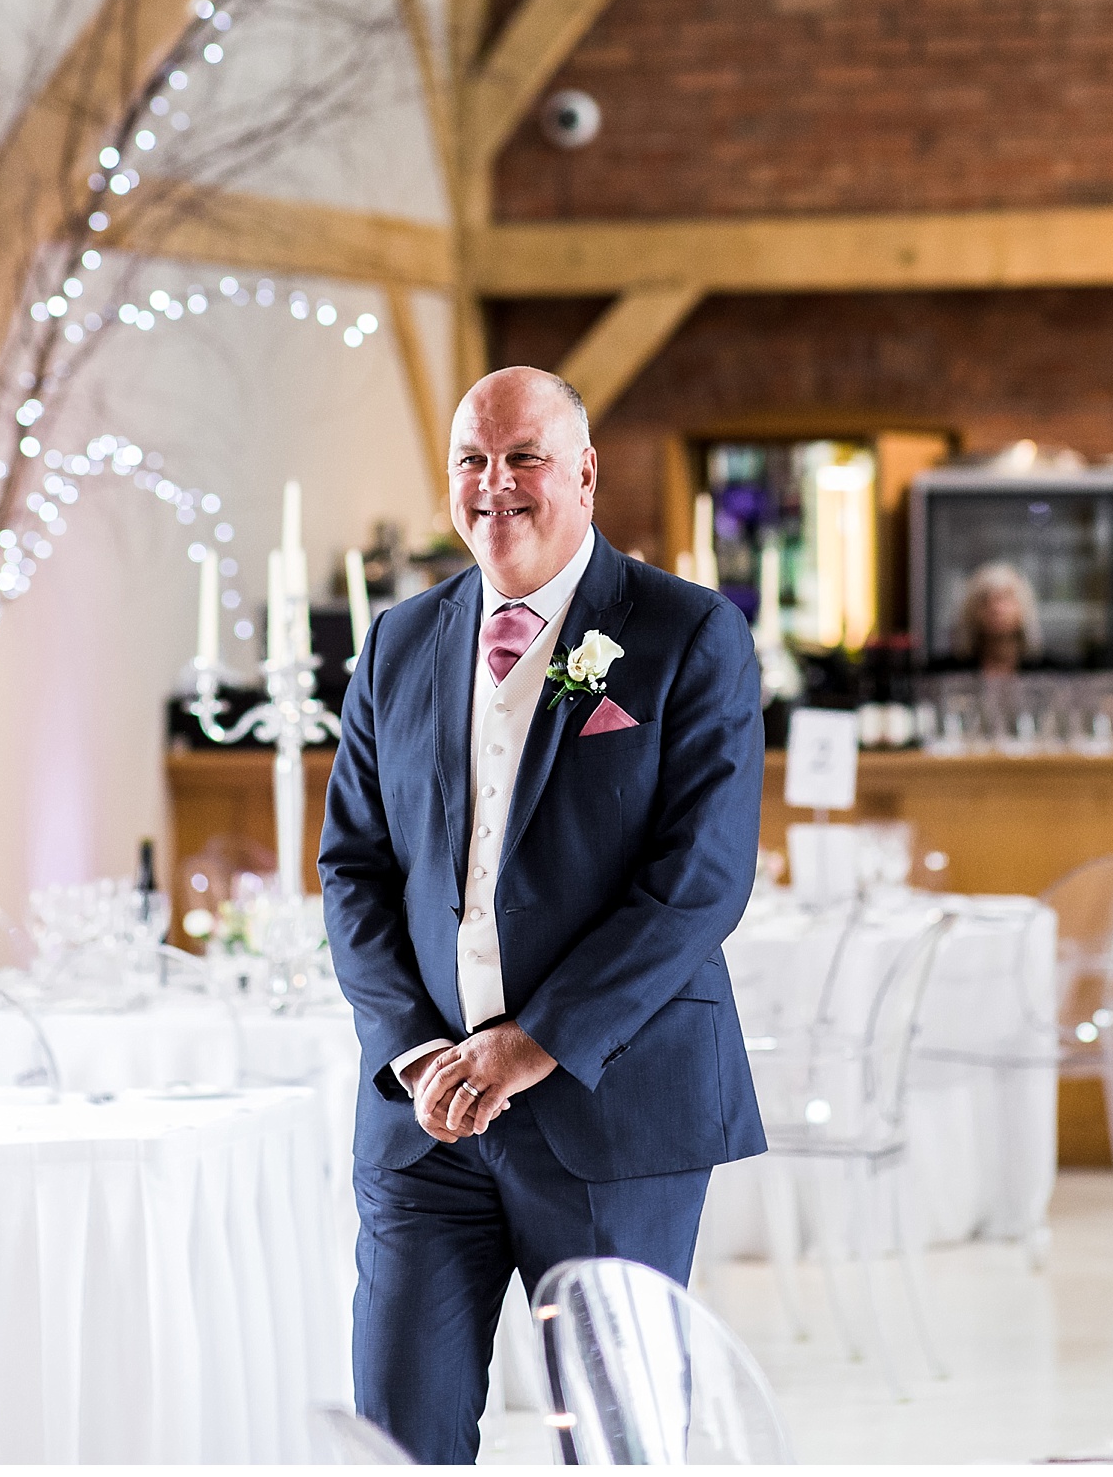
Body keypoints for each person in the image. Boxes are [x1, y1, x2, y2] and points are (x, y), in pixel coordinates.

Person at [319, 367, 767, 1464]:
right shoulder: (398, 643)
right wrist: (419, 1051)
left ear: (585, 472)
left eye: (523, 457)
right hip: (427, 1130)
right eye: (473, 459)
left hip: (617, 1114)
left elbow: (699, 882)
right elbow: (354, 870)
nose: (496, 484)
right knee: (397, 1438)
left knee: (618, 1445)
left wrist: (532, 1044)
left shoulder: (686, 634)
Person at [952, 559, 1041, 676]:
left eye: (1006, 598)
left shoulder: (1053, 674)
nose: (996, 609)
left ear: (1024, 607)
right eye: (985, 600)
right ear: (971, 611)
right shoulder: (945, 673)